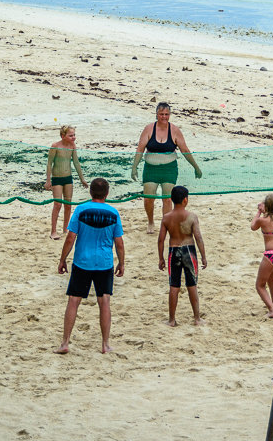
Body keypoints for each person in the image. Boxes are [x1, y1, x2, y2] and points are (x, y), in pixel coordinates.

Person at [54, 178, 125, 354]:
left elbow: (70, 238)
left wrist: (62, 259)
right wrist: (121, 263)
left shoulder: (81, 210)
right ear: (107, 194)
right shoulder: (113, 213)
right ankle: (105, 344)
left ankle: (65, 343)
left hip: (82, 262)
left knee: (73, 301)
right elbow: (120, 243)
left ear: (90, 192)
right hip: (104, 263)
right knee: (104, 302)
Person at [131, 102, 202, 234]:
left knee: (167, 198)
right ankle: (151, 222)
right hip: (151, 168)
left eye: (166, 114)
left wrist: (195, 167)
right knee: (148, 198)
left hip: (169, 168)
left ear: (169, 115)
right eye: (161, 114)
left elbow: (185, 150)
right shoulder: (149, 129)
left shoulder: (174, 130)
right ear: (157, 114)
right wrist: (134, 167)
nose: (164, 117)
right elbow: (140, 149)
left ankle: (166, 223)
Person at [157, 186, 207, 326]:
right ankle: (197, 318)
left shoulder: (167, 218)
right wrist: (203, 255)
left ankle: (172, 320)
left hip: (174, 251)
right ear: (185, 200)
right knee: (192, 285)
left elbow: (161, 239)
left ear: (172, 200)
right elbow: (198, 238)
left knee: (174, 285)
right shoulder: (191, 216)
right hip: (189, 251)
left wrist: (161, 258)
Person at [45, 125, 89, 240]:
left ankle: (65, 229)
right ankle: (53, 231)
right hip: (57, 179)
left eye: (74, 135)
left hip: (68, 178)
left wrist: (82, 179)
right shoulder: (55, 146)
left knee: (68, 205)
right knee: (57, 204)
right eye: (70, 135)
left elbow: (76, 163)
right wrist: (48, 180)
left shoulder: (72, 146)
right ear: (63, 136)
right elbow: (49, 163)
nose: (73, 137)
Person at [250, 193, 273, 319]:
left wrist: (259, 212)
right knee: (271, 279)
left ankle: (272, 310)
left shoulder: (262, 220)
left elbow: (253, 226)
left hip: (271, 254)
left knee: (260, 285)